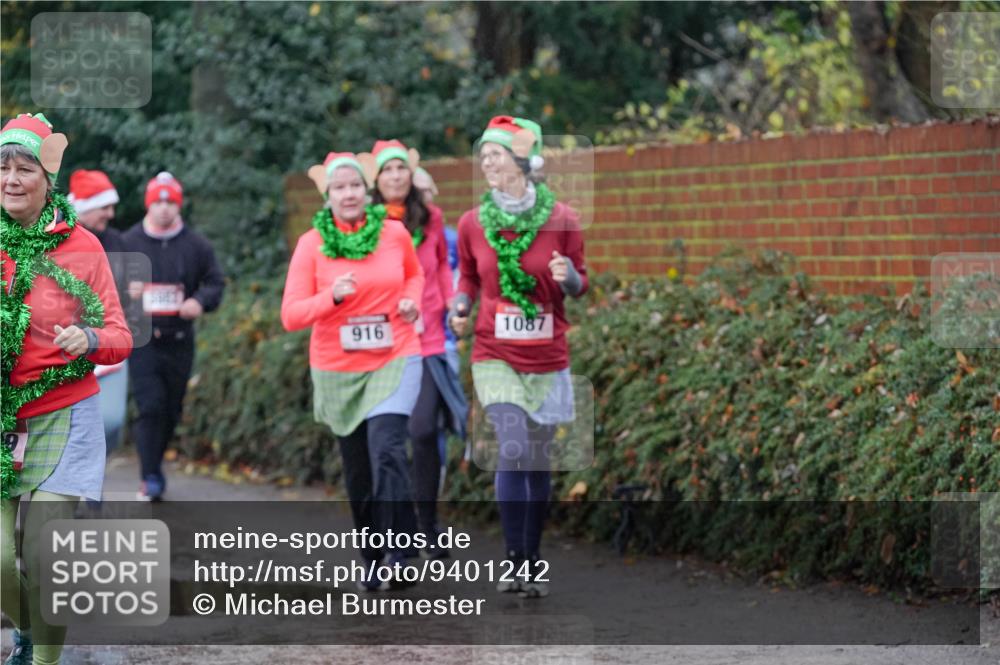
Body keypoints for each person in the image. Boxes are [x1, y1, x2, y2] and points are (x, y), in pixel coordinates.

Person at [1, 113, 133, 665]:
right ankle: (30, 631)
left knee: (44, 551)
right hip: (3, 417)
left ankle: (44, 661)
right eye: (2, 168)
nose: (10, 179)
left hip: (65, 411)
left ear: (47, 179)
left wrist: (89, 337)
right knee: (1, 562)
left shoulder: (83, 246)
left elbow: (121, 337)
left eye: (24, 169)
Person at [449, 116, 588, 598]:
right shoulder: (473, 222)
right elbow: (468, 277)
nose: (487, 162)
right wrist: (461, 306)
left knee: (536, 462)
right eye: (483, 155)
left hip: (546, 355)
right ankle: (513, 560)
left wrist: (568, 276)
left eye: (496, 154)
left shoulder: (563, 219)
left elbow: (581, 284)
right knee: (511, 448)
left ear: (523, 162)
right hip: (494, 352)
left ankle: (532, 558)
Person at [282, 151, 425, 589]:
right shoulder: (311, 244)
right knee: (359, 470)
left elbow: (414, 276)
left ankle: (401, 552)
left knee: (387, 449)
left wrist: (411, 302)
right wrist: (333, 298)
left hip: (395, 354)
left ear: (367, 191)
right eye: (340, 187)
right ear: (328, 195)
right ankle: (372, 556)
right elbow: (291, 315)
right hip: (338, 368)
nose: (349, 194)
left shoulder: (394, 233)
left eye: (355, 186)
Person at [365, 141, 468, 560]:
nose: (395, 176)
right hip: (380, 342)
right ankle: (396, 528)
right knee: (388, 441)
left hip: (426, 338)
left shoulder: (431, 218)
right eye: (387, 170)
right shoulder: (364, 223)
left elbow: (442, 266)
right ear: (376, 180)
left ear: (411, 175)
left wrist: (451, 304)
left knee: (423, 430)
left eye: (401, 169)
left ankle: (427, 524)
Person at [121, 171, 225, 500]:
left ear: (179, 206)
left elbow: (215, 282)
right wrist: (126, 291)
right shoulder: (128, 243)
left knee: (171, 409)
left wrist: (199, 301)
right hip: (143, 339)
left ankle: (154, 467)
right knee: (150, 405)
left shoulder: (197, 245)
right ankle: (149, 476)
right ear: (148, 205)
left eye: (170, 203)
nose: (164, 208)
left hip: (180, 340)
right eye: (158, 202)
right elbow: (103, 284)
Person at [68, 169, 128, 452]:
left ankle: (98, 465)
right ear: (87, 206)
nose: (111, 214)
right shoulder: (56, 236)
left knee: (111, 420)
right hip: (62, 343)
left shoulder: (116, 241)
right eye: (105, 207)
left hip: (107, 345)